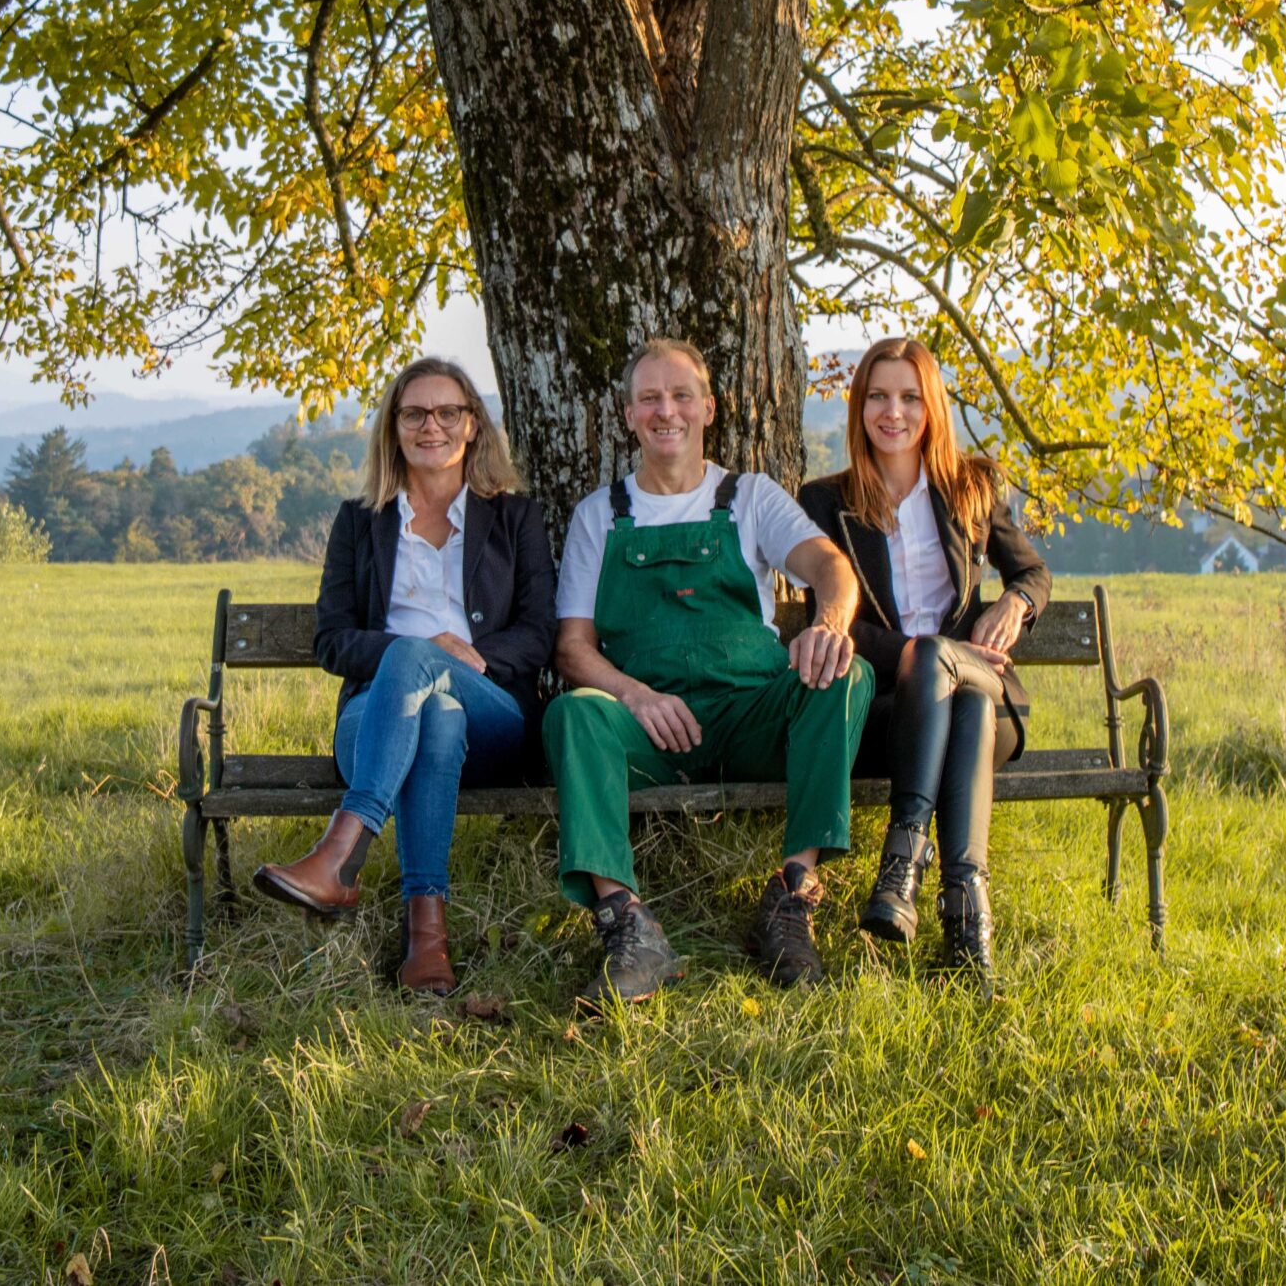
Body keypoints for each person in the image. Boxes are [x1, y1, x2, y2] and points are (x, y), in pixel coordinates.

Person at [545, 338, 873, 1002]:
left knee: (848, 673)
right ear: (628, 414)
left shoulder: (748, 496)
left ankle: (790, 900)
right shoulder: (599, 515)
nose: (666, 410)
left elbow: (830, 568)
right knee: (573, 710)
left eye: (681, 395)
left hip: (749, 716)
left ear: (709, 408)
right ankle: (630, 928)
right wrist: (633, 695)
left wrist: (829, 624)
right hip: (651, 728)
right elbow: (572, 647)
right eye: (650, 398)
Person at [252, 358, 557, 996]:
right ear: (393, 428)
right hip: (377, 720)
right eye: (414, 413)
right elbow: (331, 640)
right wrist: (414, 652)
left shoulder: (514, 518)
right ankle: (427, 939)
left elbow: (538, 634)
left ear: (472, 425)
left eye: (449, 412)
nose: (432, 426)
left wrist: (453, 657)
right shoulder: (360, 520)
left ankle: (342, 851)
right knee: (429, 704)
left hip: (492, 715)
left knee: (431, 675)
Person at [796, 338, 1051, 979]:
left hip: (991, 703)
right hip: (893, 712)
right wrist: (924, 653)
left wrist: (1014, 606)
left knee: (968, 692)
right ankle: (968, 926)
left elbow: (1032, 572)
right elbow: (836, 620)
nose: (894, 412)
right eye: (879, 396)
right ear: (859, 407)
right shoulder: (827, 502)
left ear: (931, 406)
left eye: (910, 397)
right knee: (951, 682)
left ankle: (902, 866)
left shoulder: (972, 487)